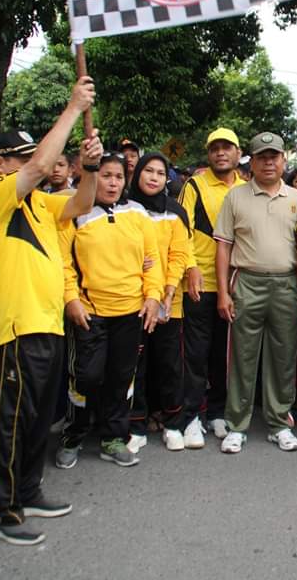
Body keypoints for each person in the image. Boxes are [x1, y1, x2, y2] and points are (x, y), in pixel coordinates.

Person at [0, 77, 101, 546]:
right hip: (17, 325)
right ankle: (1, 510)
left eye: (30, 157)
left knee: (38, 418)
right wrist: (72, 107)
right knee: (11, 421)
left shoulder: (41, 204)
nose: (33, 164)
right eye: (22, 158)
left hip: (48, 322)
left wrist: (90, 168)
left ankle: (28, 490)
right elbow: (46, 161)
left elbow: (83, 202)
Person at [56, 154, 163, 469]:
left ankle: (112, 438)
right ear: (91, 177)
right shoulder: (76, 214)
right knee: (87, 376)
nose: (113, 182)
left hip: (131, 312)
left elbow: (152, 259)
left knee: (121, 377)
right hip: (90, 313)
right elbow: (64, 263)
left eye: (118, 176)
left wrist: (153, 296)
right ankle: (73, 434)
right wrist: (71, 299)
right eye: (106, 175)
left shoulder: (137, 213)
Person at [213, 133, 297, 454]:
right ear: (251, 160)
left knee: (284, 354)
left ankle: (279, 422)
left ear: (283, 160)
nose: (268, 162)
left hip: (286, 284)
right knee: (242, 355)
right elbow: (223, 247)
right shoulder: (236, 197)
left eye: (274, 156)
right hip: (247, 282)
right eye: (262, 156)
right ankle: (237, 424)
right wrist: (223, 292)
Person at [177, 128, 245, 442]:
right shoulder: (194, 185)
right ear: (208, 154)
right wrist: (189, 267)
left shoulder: (248, 188)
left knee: (224, 354)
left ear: (238, 152)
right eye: (215, 148)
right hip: (200, 282)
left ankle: (217, 412)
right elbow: (181, 230)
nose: (220, 153)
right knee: (196, 353)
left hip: (235, 284)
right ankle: (191, 416)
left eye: (226, 148)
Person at [125, 153, 196, 452]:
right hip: (132, 301)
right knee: (135, 365)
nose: (154, 177)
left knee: (169, 365)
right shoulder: (126, 210)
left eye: (159, 172)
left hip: (170, 302)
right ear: (138, 174)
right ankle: (136, 425)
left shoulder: (175, 211)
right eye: (148, 171)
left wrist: (167, 291)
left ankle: (173, 423)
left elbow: (179, 253)